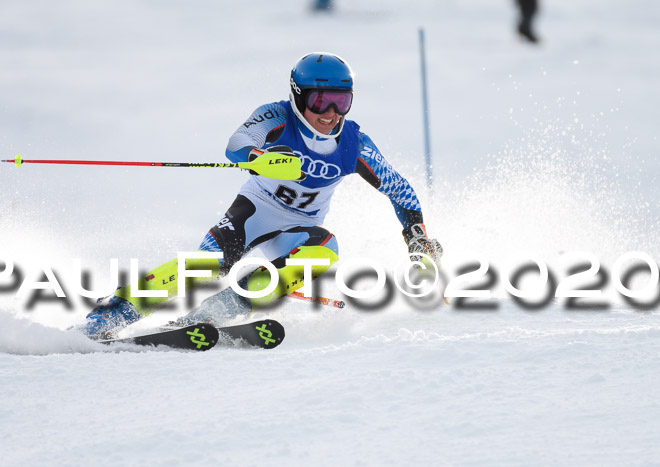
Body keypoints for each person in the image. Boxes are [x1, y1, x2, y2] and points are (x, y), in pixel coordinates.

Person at [80, 52, 442, 338]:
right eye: (320, 101)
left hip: (298, 230)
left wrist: (417, 239)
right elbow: (236, 145)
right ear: (299, 96)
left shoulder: (353, 144)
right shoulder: (277, 116)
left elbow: (400, 190)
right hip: (254, 212)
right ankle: (111, 314)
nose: (331, 114)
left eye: (341, 102)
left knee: (326, 250)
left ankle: (218, 311)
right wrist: (261, 160)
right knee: (207, 264)